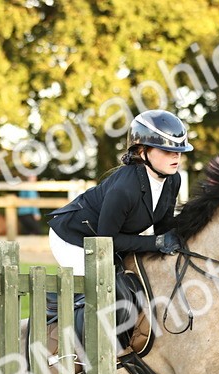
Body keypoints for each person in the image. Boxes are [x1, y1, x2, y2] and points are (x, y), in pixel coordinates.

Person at [47, 109, 191, 274]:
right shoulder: (124, 189)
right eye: (166, 150)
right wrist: (156, 243)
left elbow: (163, 228)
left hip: (108, 238)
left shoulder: (173, 180)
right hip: (73, 237)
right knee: (99, 286)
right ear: (142, 152)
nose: (176, 156)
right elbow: (106, 241)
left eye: (180, 151)